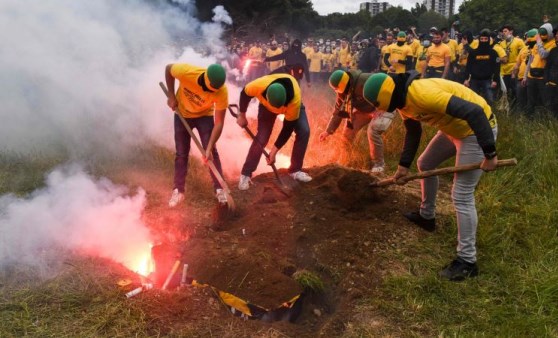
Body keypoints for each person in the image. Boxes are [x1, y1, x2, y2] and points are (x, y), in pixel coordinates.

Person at [362, 71, 498, 281]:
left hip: (475, 131)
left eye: (378, 105)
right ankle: (427, 217)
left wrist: (490, 153)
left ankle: (467, 261)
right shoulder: (402, 101)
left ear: (386, 96)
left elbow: (475, 112)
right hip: (451, 129)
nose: (379, 110)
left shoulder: (423, 94)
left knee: (461, 195)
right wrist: (403, 167)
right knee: (425, 164)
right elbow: (413, 132)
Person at [164, 63, 229, 207]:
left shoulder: (222, 91)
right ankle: (178, 190)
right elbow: (169, 68)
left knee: (212, 153)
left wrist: (209, 147)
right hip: (183, 114)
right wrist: (171, 95)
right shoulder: (187, 72)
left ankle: (219, 189)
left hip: (205, 116)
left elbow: (219, 123)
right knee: (181, 154)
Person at [236, 73, 311, 190]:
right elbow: (244, 94)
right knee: (262, 137)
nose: (277, 111)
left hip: (290, 106)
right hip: (266, 108)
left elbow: (287, 128)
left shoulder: (294, 101)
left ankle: (295, 170)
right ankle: (245, 174)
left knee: (304, 131)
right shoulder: (258, 85)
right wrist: (242, 115)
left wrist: (274, 151)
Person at [320, 70, 394, 173]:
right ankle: (345, 161)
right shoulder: (343, 92)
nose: (338, 92)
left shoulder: (366, 80)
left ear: (346, 83)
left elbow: (389, 87)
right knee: (347, 134)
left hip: (385, 106)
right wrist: (328, 131)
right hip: (365, 110)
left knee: (373, 130)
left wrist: (381, 107)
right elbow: (338, 111)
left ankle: (379, 165)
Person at [463, 29, 501, 105]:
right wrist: (466, 79)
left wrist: (495, 80)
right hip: (474, 80)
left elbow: (497, 67)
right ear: (479, 39)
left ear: (488, 39)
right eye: (482, 39)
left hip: (488, 80)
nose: (483, 41)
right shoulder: (473, 53)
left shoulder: (493, 53)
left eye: (485, 39)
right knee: (472, 101)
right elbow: (468, 67)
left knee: (490, 101)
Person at [499, 25, 526, 104]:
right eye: (503, 32)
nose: (504, 33)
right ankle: (507, 107)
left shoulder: (519, 41)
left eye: (505, 31)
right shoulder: (501, 43)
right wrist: (500, 59)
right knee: (505, 91)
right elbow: (499, 56)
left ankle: (517, 107)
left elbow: (523, 55)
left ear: (511, 31)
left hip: (514, 69)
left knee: (515, 90)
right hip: (503, 70)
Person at [544, 28, 558, 116]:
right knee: (552, 106)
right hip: (552, 83)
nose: (556, 35)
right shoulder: (553, 51)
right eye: (555, 34)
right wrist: (547, 81)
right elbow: (547, 67)